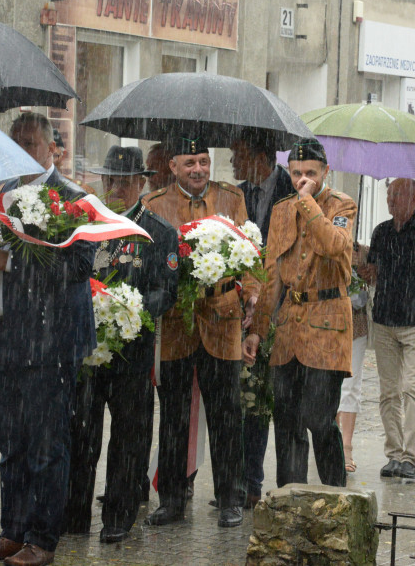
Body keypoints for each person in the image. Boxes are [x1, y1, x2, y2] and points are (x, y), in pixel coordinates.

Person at [0, 113, 98, 566]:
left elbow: (78, 269)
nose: (22, 149)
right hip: (6, 342)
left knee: (47, 447)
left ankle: (42, 539)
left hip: (51, 345)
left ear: (52, 149)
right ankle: (12, 531)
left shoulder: (74, 199)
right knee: (13, 445)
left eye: (30, 141)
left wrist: (15, 265)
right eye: (15, 141)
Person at [141, 136, 258, 529]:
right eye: (189, 162)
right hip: (176, 324)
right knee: (173, 416)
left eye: (204, 162)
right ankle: (171, 500)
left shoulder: (231, 200)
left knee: (226, 415)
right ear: (172, 167)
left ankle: (229, 498)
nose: (198, 170)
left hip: (221, 321)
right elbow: (148, 261)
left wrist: (252, 297)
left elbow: (250, 258)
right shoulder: (154, 205)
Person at [63, 146, 178, 543]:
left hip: (132, 353)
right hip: (88, 353)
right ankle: (74, 513)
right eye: (109, 179)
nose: (114, 187)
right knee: (81, 434)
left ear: (141, 183)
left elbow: (168, 291)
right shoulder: (85, 227)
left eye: (123, 181)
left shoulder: (160, 233)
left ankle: (119, 515)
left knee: (130, 437)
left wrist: (132, 311)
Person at [246, 139, 357, 489]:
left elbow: (335, 246)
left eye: (310, 173)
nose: (302, 179)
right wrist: (257, 331)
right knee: (288, 419)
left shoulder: (343, 205)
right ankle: (289, 501)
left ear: (325, 171)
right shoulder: (281, 210)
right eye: (296, 174)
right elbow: (273, 273)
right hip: (291, 326)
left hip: (328, 324)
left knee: (319, 418)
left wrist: (308, 202)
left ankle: (336, 497)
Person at [358, 178, 415, 481]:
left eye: (395, 195)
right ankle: (394, 455)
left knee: (413, 389)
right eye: (388, 194)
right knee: (388, 392)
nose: (390, 200)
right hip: (385, 321)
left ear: (414, 198)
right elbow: (373, 274)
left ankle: (412, 458)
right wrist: (365, 266)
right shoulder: (381, 232)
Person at [229, 133, 294, 507]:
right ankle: (240, 480)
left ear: (260, 157)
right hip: (243, 309)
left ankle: (253, 482)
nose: (234, 163)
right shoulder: (239, 193)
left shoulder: (289, 190)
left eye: (239, 155)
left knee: (261, 403)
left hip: (282, 310)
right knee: (242, 401)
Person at [336, 241, 371, 474]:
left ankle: (346, 446)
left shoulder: (362, 251)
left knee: (350, 386)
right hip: (322, 325)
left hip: (354, 325)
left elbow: (368, 291)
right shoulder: (321, 243)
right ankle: (329, 442)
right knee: (326, 385)